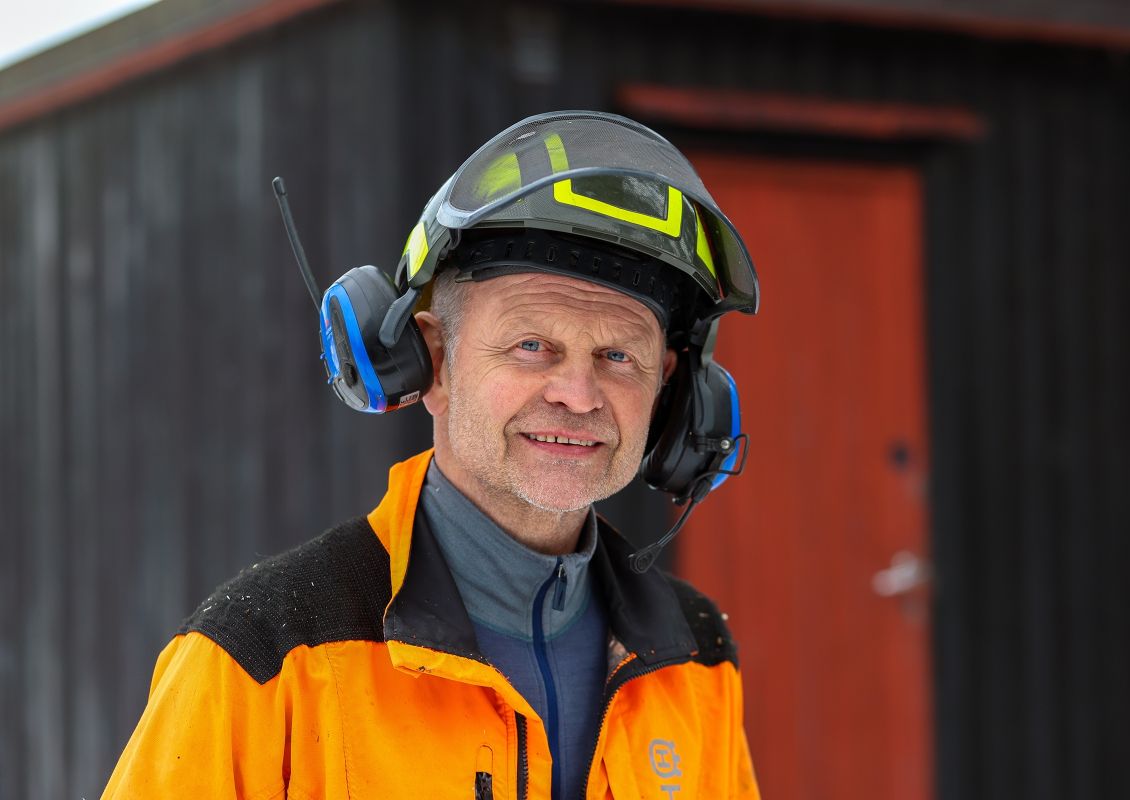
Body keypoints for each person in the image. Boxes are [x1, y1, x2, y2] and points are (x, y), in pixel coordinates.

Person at [102, 111, 761, 799]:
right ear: (430, 365)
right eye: (531, 345)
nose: (578, 393)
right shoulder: (265, 653)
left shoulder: (695, 655)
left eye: (618, 355)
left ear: (673, 395)